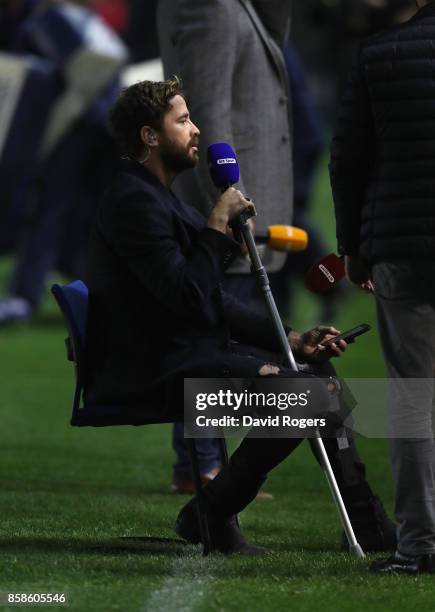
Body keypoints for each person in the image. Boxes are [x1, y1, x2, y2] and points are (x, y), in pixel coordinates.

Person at [85, 78, 395, 554]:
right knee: (307, 394)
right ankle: (209, 512)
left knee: (315, 371)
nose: (196, 130)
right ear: (149, 136)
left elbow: (211, 298)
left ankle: (365, 521)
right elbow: (189, 297)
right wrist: (214, 225)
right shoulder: (131, 200)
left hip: (186, 354)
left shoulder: (160, 196)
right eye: (183, 119)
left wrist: (292, 339)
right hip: (154, 370)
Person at [156, 0, 293, 490]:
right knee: (215, 340)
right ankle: (204, 467)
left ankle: (211, 466)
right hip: (234, 207)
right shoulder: (208, 6)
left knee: (233, 341)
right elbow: (205, 112)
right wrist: (226, 202)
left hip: (247, 204)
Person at [330, 0, 435, 574]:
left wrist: (353, 247)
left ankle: (419, 546)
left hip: (401, 249)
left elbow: (348, 161)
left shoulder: (378, 54)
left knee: (415, 399)